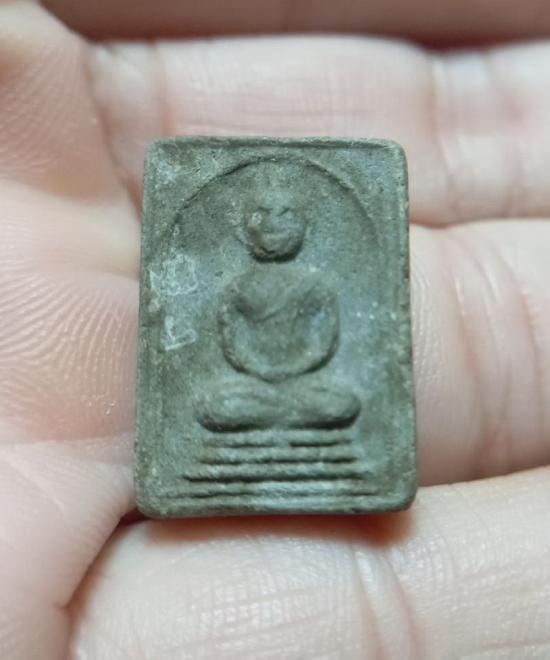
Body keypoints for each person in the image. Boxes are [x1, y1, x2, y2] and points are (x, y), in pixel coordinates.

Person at [1, 2, 549, 658]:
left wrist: (289, 375)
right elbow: (231, 345)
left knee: (337, 401)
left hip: (305, 390)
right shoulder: (236, 289)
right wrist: (260, 376)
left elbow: (325, 345)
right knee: (217, 404)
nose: (272, 228)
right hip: (250, 393)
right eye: (260, 219)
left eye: (285, 218)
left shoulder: (315, 286)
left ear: (302, 229)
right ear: (245, 231)